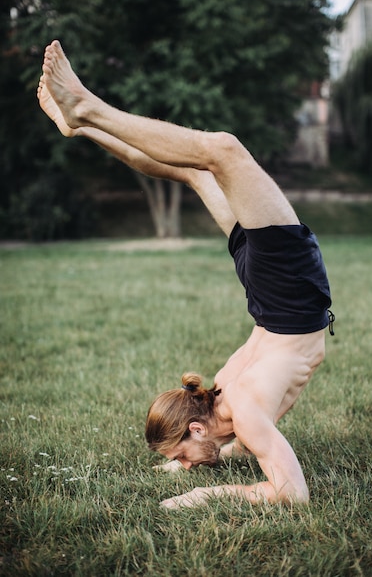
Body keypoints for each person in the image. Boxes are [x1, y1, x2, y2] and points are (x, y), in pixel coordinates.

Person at [39, 39, 334, 509]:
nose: (189, 464)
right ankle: (82, 128)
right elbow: (266, 472)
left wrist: (202, 493)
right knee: (198, 171)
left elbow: (287, 491)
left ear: (197, 426)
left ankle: (86, 110)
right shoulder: (225, 400)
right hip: (274, 298)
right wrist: (186, 457)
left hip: (284, 293)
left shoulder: (239, 408)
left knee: (221, 150)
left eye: (185, 455)